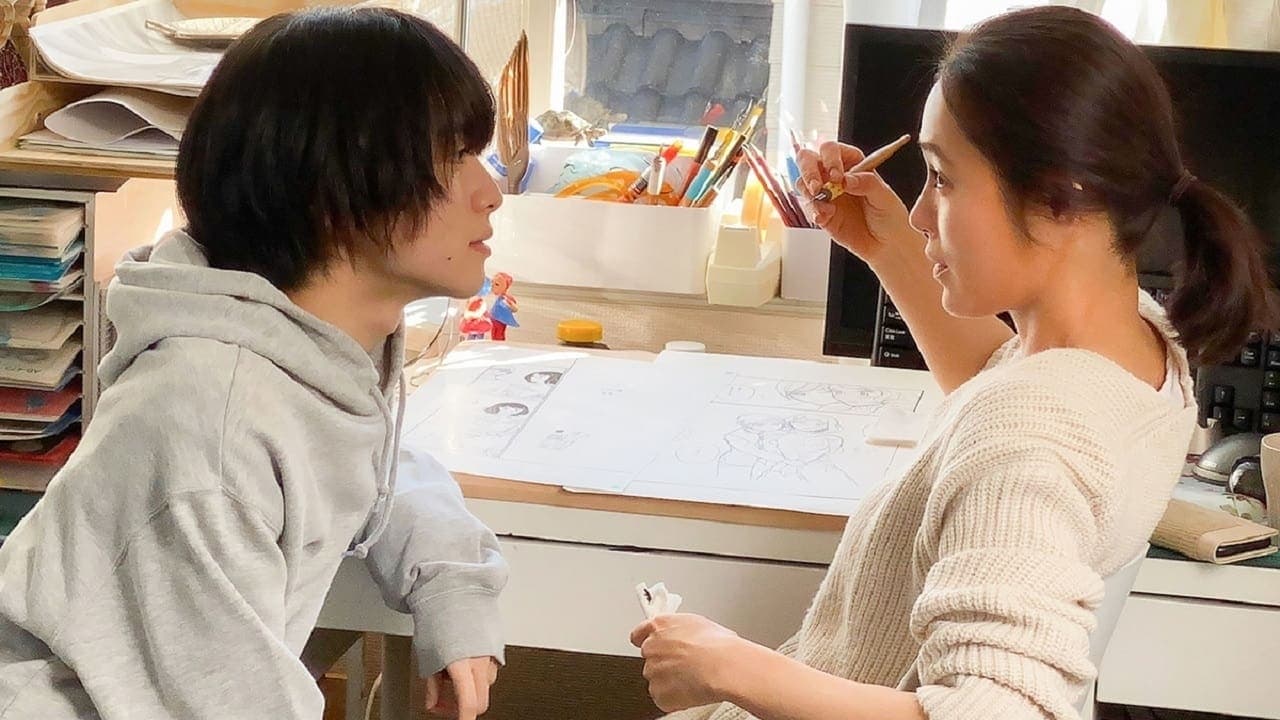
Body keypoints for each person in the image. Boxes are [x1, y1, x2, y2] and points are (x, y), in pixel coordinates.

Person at [630, 6, 1276, 720]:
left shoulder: (1030, 437)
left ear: (1060, 196)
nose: (918, 213)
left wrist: (729, 666)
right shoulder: (1141, 346)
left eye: (941, 178)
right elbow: (1001, 388)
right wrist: (884, 246)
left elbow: (991, 710)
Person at [0, 8, 509, 720]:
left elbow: (370, 466)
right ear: (334, 190)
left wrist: (452, 585)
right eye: (454, 157)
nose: (491, 192)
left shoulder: (304, 357)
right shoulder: (212, 419)